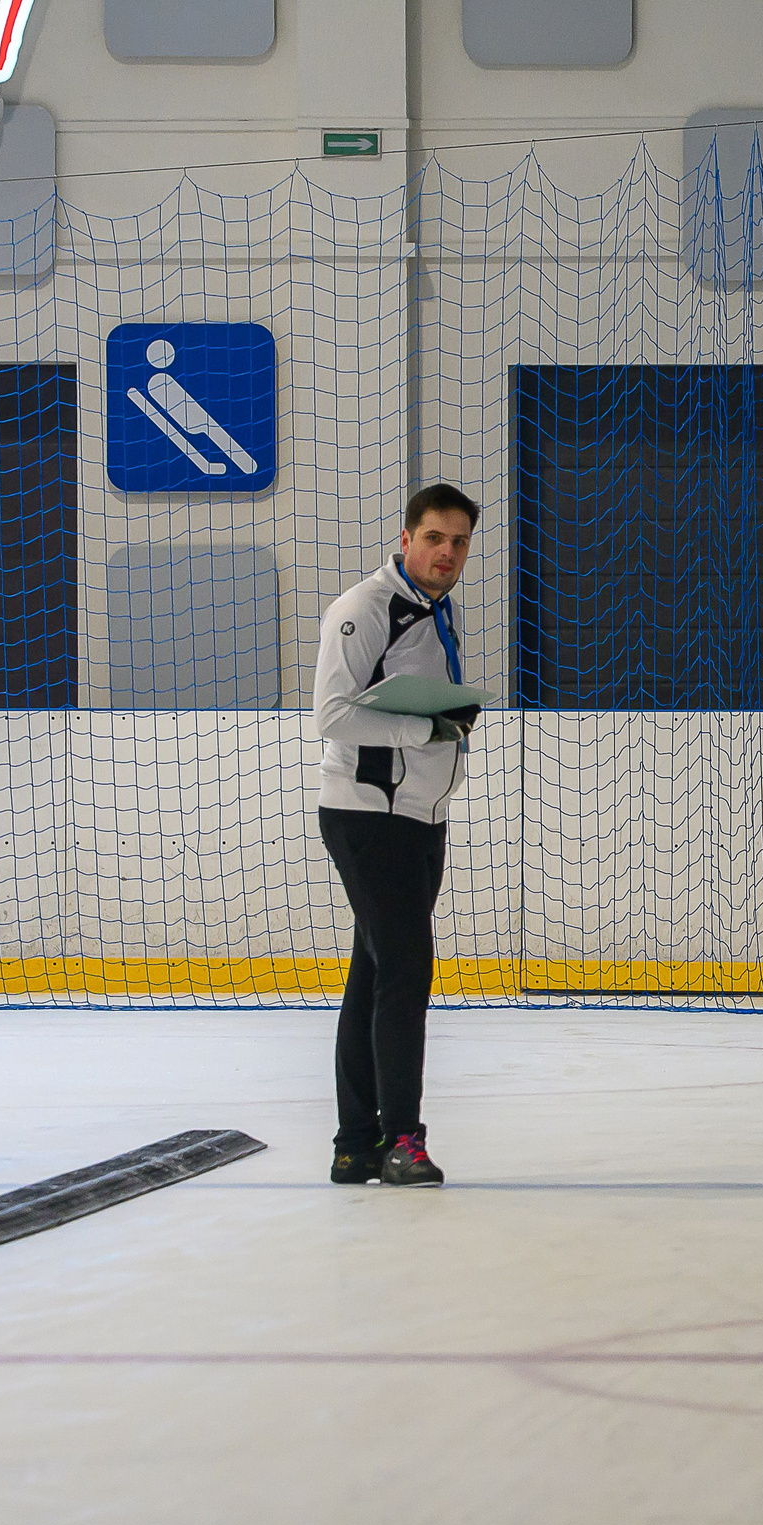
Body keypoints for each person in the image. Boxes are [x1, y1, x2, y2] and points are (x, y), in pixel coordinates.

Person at [313, 484, 485, 1188]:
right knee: (407, 967)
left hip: (418, 817)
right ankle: (401, 1140)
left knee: (376, 973)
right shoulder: (364, 609)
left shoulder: (438, 612)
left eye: (460, 542)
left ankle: (355, 1143)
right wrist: (422, 728)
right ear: (407, 536)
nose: (447, 553)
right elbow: (331, 713)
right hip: (367, 815)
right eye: (435, 538)